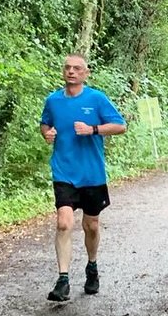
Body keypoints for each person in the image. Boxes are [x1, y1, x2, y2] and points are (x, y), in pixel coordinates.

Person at [40, 54, 127, 302]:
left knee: (91, 226)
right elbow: (44, 124)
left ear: (85, 73)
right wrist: (47, 134)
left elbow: (120, 126)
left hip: (92, 173)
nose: (71, 72)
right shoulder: (53, 100)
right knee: (64, 223)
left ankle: (92, 266)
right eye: (67, 68)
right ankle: (63, 280)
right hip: (63, 171)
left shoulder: (96, 99)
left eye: (77, 68)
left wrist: (94, 129)